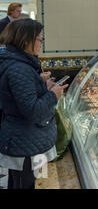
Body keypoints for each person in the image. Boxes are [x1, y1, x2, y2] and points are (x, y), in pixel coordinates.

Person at [0, 19, 68, 189]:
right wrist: (53, 95)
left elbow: (21, 96)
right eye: (39, 39)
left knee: (17, 182)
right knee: (24, 184)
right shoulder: (19, 68)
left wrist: (40, 84)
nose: (41, 43)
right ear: (25, 40)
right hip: (24, 143)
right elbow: (31, 110)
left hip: (24, 141)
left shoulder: (17, 63)